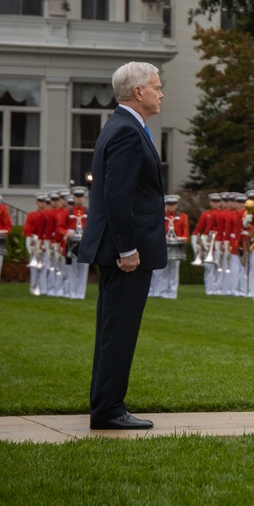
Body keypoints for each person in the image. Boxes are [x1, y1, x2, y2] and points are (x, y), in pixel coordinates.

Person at [78, 62, 166, 431]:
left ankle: (107, 403)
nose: (161, 94)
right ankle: (109, 409)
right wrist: (127, 249)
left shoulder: (124, 126)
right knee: (119, 330)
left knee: (114, 328)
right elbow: (118, 196)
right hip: (126, 252)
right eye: (157, 87)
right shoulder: (128, 131)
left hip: (122, 248)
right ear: (138, 92)